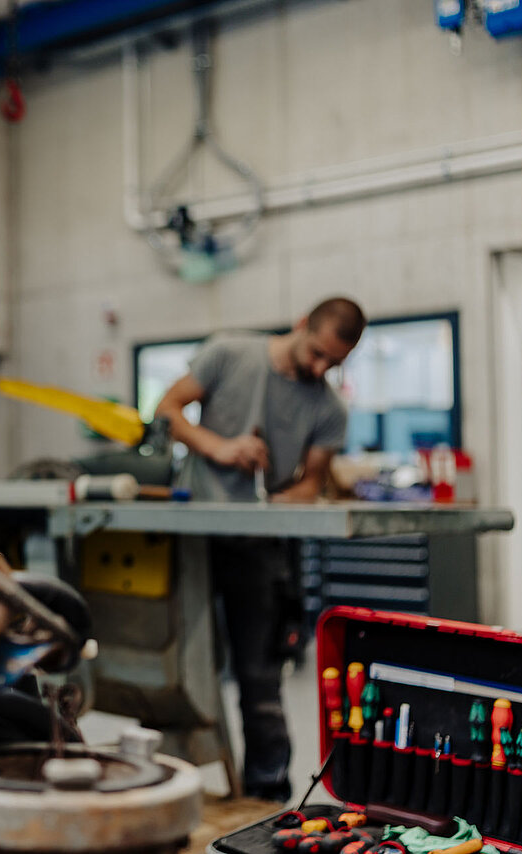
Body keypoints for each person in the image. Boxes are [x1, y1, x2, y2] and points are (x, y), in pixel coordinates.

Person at [154, 296, 366, 801]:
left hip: (258, 545)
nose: (319, 369)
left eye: (332, 364)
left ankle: (266, 794)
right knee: (176, 663)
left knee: (259, 675)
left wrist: (274, 498)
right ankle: (161, 782)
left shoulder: (329, 408)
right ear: (300, 325)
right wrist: (219, 447)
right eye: (315, 353)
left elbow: (309, 485)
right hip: (192, 535)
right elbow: (166, 409)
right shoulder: (228, 353)